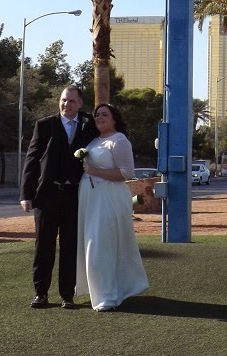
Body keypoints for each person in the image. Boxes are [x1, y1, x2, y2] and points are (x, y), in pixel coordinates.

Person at [20, 85, 96, 309]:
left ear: (80, 103)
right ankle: (40, 293)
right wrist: (27, 194)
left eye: (72, 101)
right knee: (43, 246)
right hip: (47, 196)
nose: (66, 104)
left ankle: (67, 295)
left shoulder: (87, 125)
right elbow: (32, 160)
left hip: (75, 196)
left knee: (70, 246)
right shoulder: (45, 125)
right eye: (64, 100)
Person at [76, 102, 149, 312]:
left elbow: (126, 173)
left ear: (114, 118)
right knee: (92, 243)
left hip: (109, 199)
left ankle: (108, 296)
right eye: (97, 115)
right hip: (91, 200)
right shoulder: (94, 141)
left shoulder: (119, 141)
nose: (99, 118)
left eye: (104, 114)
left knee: (102, 245)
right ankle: (98, 289)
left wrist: (94, 171)